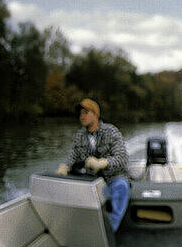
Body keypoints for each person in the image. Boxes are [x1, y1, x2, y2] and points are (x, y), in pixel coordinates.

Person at [56, 98, 130, 232]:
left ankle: (109, 230)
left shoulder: (111, 131)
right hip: (91, 181)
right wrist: (64, 167)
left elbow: (122, 158)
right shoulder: (79, 136)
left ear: (95, 114)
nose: (82, 116)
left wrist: (103, 163)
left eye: (85, 112)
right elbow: (72, 157)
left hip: (112, 179)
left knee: (122, 186)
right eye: (80, 114)